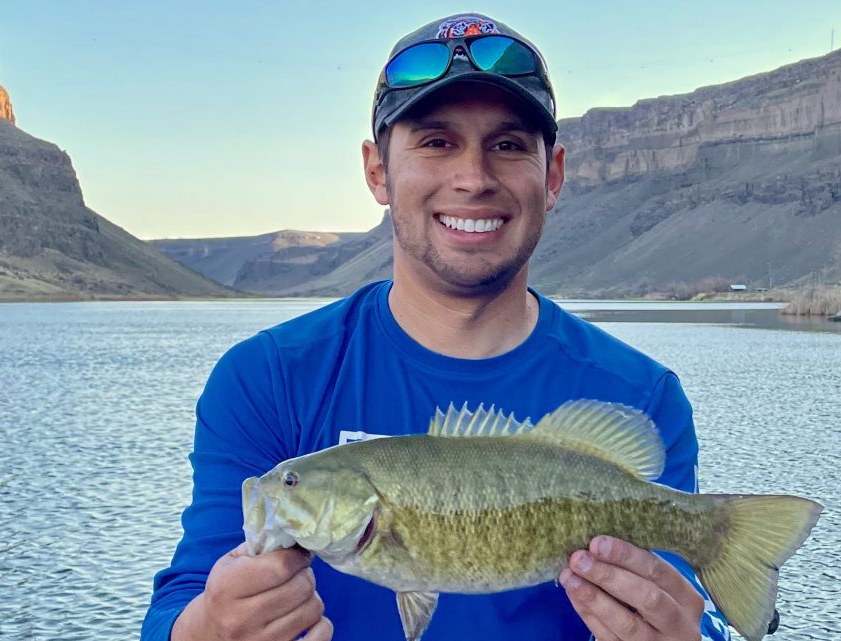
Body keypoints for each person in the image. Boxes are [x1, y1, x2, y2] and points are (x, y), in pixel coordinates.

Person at [142, 12, 732, 641]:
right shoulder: (266, 380)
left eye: (507, 145)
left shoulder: (641, 394)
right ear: (377, 170)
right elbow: (177, 607)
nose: (473, 178)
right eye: (436, 142)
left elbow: (698, 609)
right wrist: (208, 628)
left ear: (552, 175)